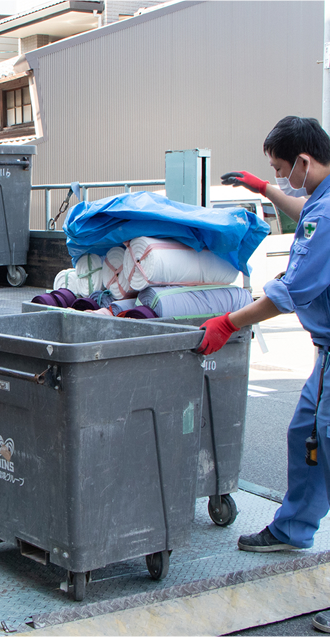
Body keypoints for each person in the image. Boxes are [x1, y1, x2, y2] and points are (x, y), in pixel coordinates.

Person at [204, 115, 330, 633]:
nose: (279, 180)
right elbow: (305, 211)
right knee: (307, 433)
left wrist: (228, 321)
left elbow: (289, 291)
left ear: (304, 161)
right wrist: (266, 192)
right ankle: (294, 528)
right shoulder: (319, 198)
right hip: (325, 353)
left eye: (281, 171)